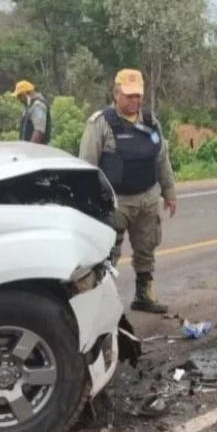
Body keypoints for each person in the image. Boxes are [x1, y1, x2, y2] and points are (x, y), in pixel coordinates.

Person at [79, 69, 177, 314]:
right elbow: (87, 165)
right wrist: (88, 203)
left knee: (147, 247)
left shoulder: (150, 120)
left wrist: (169, 192)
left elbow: (162, 158)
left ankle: (144, 295)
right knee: (107, 254)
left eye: (138, 96)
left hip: (148, 197)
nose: (134, 101)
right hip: (115, 202)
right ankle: (103, 302)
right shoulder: (100, 123)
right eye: (129, 95)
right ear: (116, 93)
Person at [11, 80, 52, 144]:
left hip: (36, 151)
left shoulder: (38, 106)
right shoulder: (30, 105)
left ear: (27, 93)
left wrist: (30, 149)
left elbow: (39, 131)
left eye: (19, 96)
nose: (19, 100)